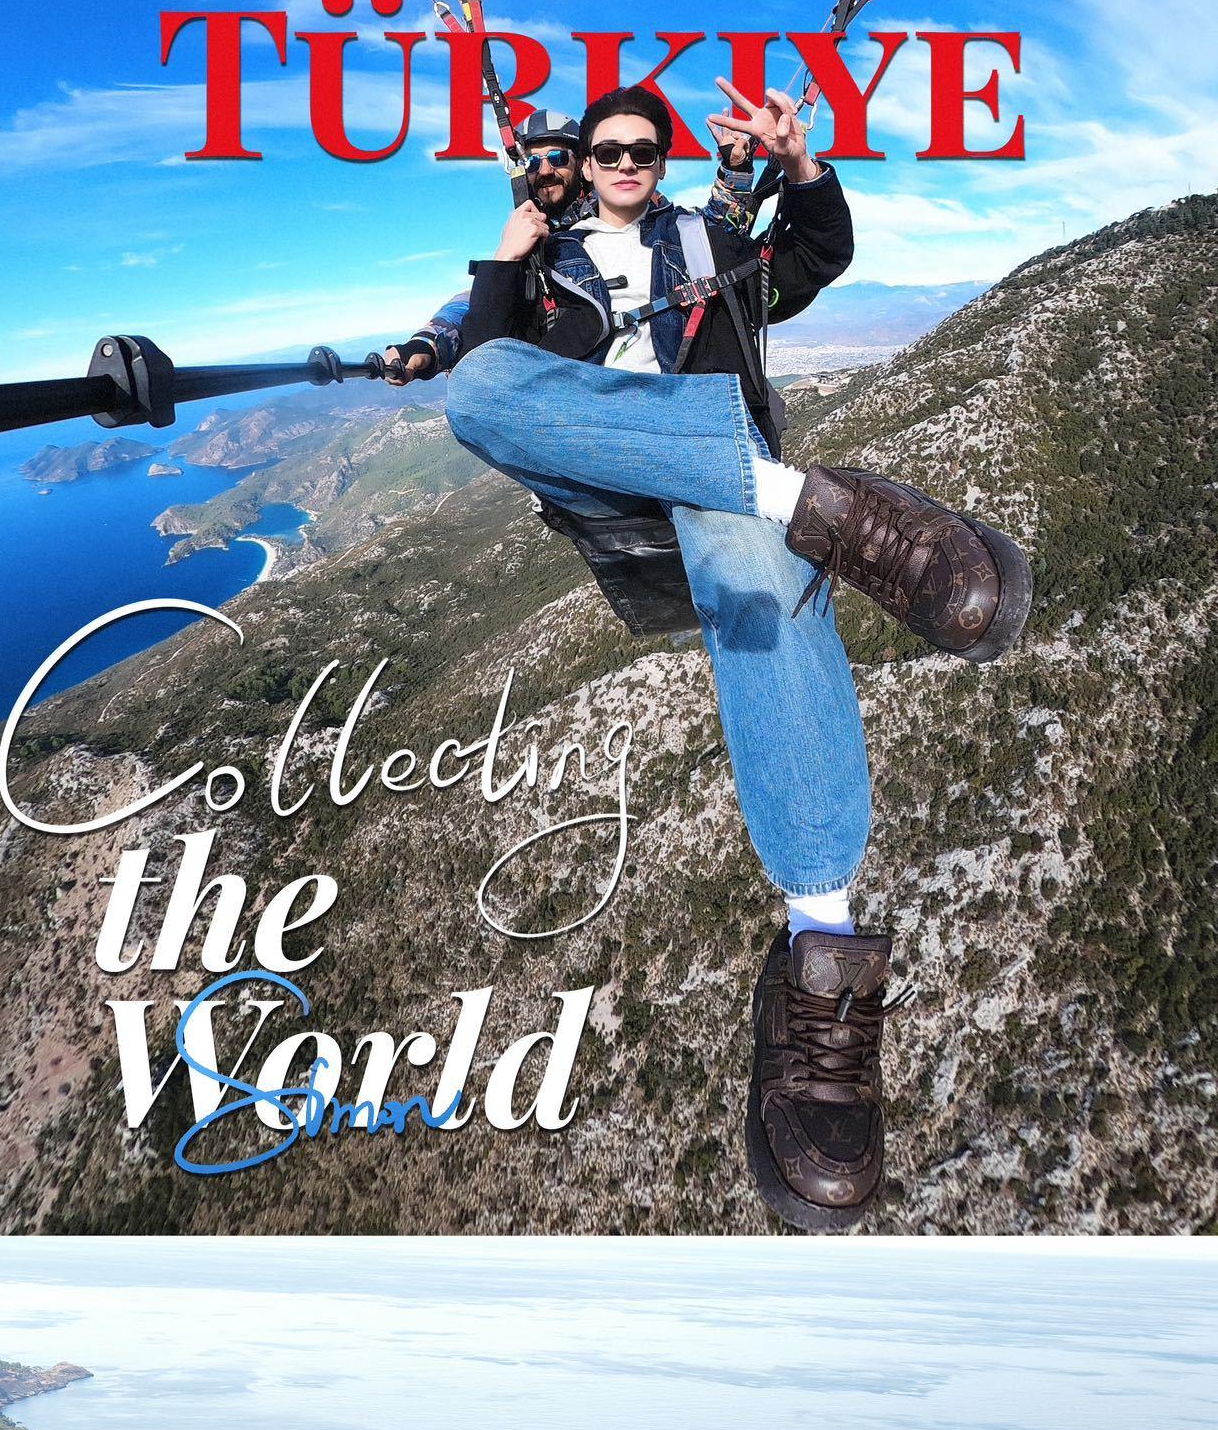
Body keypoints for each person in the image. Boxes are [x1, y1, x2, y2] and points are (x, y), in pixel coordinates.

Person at [376, 77, 1032, 1229]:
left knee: (752, 579)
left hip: (718, 496)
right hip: (618, 491)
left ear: (660, 159)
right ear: (580, 164)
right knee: (477, 388)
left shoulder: (707, 246)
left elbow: (811, 259)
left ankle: (820, 956)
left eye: (641, 149)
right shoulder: (535, 271)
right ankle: (817, 508)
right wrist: (499, 265)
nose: (623, 164)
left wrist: (800, 169)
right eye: (603, 151)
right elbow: (476, 369)